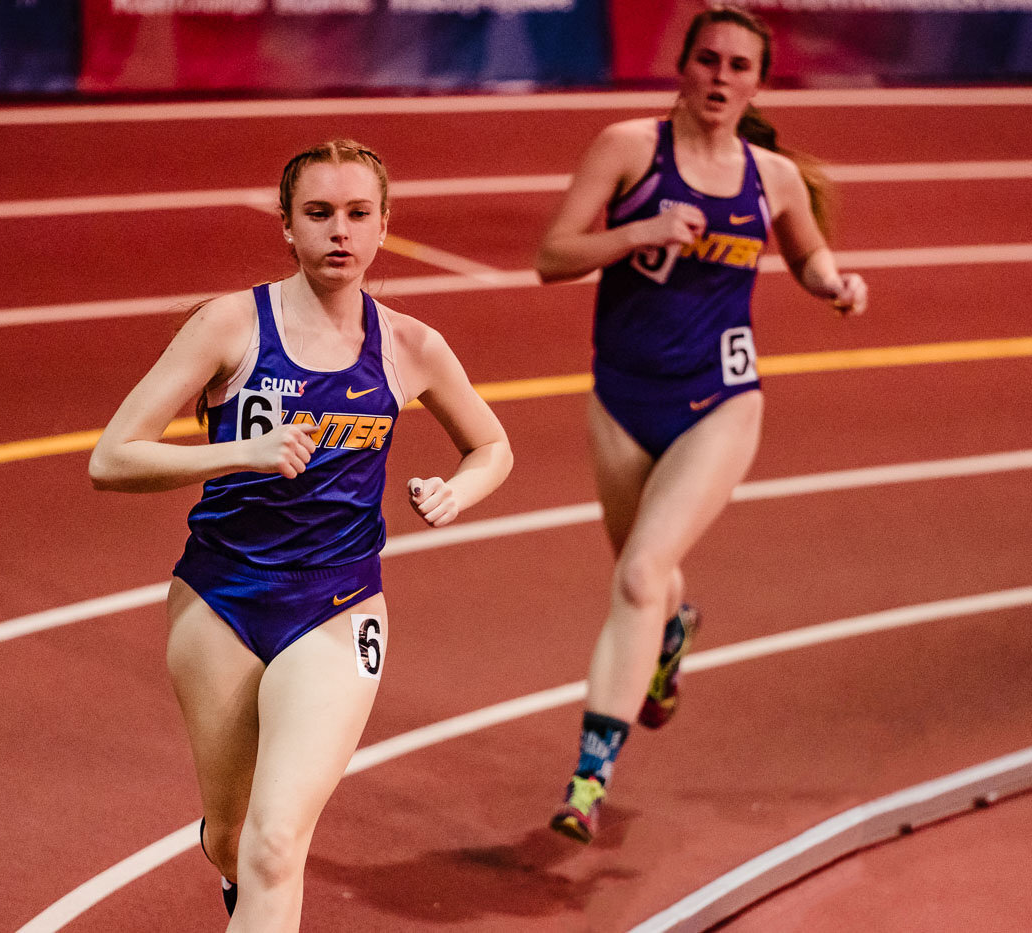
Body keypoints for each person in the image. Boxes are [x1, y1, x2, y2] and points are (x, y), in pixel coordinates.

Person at [89, 139, 512, 926]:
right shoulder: (230, 324)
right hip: (218, 597)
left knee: (278, 842)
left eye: (358, 214)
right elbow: (111, 458)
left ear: (386, 227)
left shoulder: (412, 346)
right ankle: (230, 872)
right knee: (232, 834)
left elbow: (493, 444)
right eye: (318, 213)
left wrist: (458, 490)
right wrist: (237, 451)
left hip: (339, 603)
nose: (339, 232)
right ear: (287, 225)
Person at [534, 5, 868, 844]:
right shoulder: (628, 149)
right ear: (682, 67)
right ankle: (673, 634)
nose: (722, 78)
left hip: (721, 400)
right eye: (709, 61)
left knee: (642, 572)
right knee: (649, 582)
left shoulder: (773, 177)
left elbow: (805, 252)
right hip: (622, 399)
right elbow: (552, 257)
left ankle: (588, 778)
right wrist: (640, 229)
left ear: (759, 82)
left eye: (740, 67)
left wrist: (834, 283)